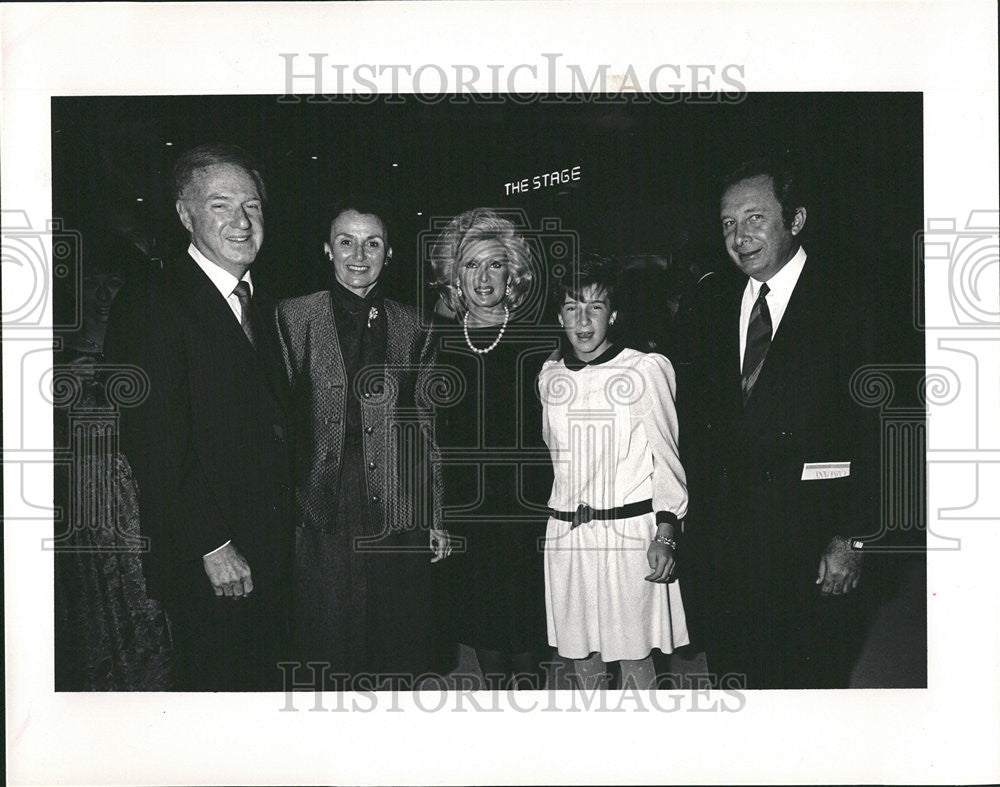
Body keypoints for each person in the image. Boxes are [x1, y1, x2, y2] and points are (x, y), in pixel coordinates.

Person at [103, 143, 295, 691]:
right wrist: (213, 546)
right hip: (213, 558)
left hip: (271, 546)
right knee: (220, 698)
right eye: (221, 205)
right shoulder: (150, 303)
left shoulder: (264, 300)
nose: (241, 220)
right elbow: (153, 441)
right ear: (186, 215)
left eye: (253, 206)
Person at [683, 157, 876, 689]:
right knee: (735, 683)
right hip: (724, 547)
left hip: (810, 543)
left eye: (754, 218)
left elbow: (883, 429)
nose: (739, 237)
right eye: (727, 223)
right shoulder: (708, 301)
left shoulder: (852, 300)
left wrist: (854, 539)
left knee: (807, 688)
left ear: (795, 220)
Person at [274, 198, 449, 688]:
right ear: (327, 250)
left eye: (372, 243)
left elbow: (426, 428)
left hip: (398, 498)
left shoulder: (416, 325)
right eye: (346, 242)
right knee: (328, 640)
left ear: (388, 253)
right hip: (320, 499)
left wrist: (435, 517)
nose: (359, 254)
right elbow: (278, 424)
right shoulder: (290, 317)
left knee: (399, 644)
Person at [538, 253, 690, 690]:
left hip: (628, 536)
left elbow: (667, 457)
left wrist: (665, 533)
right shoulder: (549, 375)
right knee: (582, 656)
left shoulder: (645, 369)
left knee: (634, 658)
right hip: (568, 536)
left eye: (595, 307)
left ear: (614, 313)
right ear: (559, 316)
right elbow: (556, 456)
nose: (583, 321)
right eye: (572, 308)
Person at [430, 207, 557, 689]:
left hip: (528, 512)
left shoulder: (543, 337)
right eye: (471, 265)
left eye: (495, 264)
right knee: (481, 625)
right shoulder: (436, 342)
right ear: (455, 277)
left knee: (526, 633)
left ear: (514, 274)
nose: (483, 278)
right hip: (467, 511)